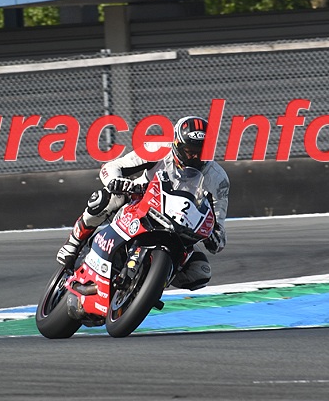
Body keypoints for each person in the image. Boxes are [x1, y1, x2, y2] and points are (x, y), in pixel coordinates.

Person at [56, 115, 230, 290]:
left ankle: (149, 286)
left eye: (201, 152)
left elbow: (219, 229)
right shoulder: (158, 149)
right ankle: (74, 242)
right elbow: (111, 167)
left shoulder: (218, 179)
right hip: (143, 206)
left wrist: (214, 237)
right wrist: (116, 181)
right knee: (107, 197)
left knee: (200, 272)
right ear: (176, 144)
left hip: (180, 230)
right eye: (189, 150)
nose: (195, 156)